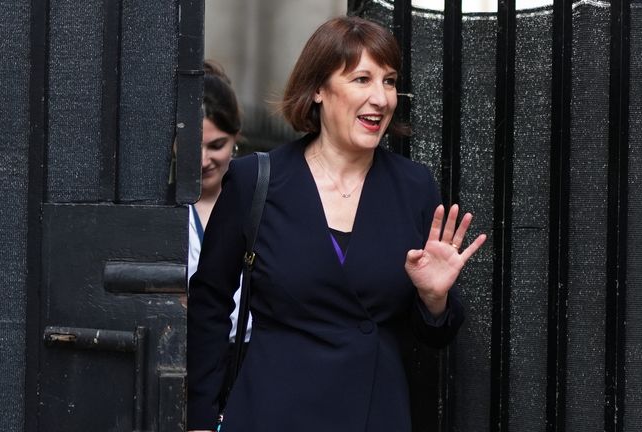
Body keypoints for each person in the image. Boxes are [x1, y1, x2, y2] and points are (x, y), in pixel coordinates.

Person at [187, 16, 486, 432]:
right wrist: (200, 419)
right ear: (318, 90)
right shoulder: (256, 179)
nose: (381, 98)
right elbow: (209, 303)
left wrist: (434, 300)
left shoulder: (414, 187)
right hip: (272, 411)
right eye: (362, 79)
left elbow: (433, 339)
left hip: (373, 413)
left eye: (389, 80)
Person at [187, 60, 251, 366]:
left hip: (250, 357)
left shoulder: (259, 199)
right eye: (191, 146)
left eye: (216, 145)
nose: (203, 161)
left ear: (236, 137)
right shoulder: (166, 209)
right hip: (186, 355)